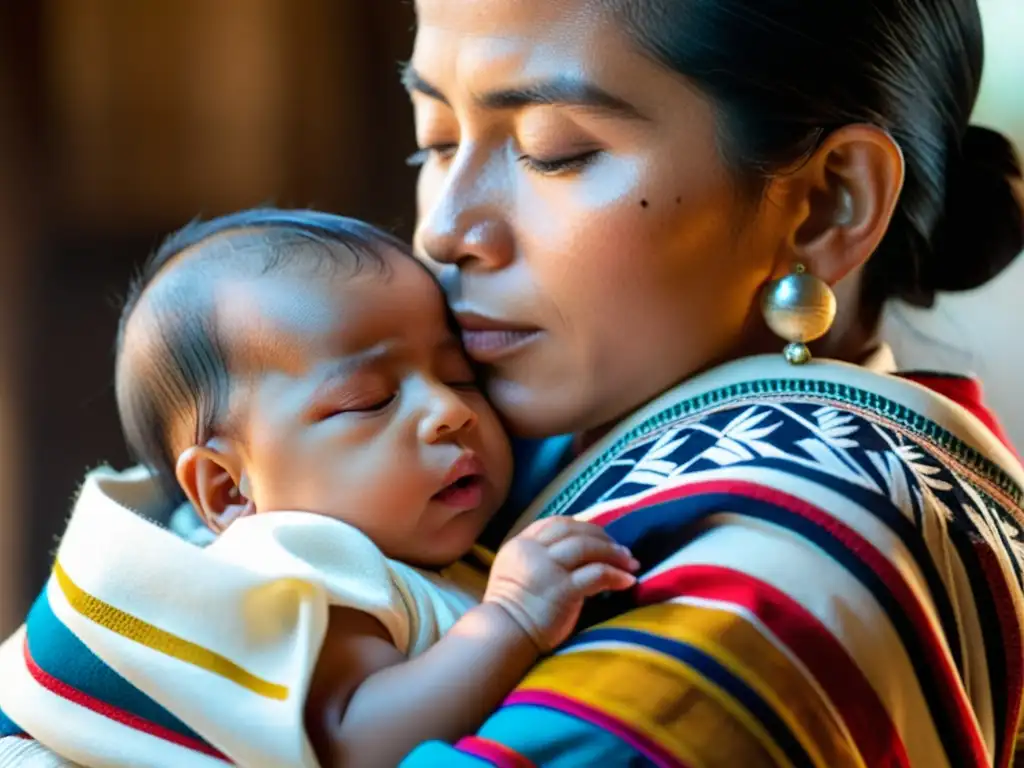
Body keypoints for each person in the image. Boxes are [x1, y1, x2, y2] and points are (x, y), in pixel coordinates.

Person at [2, 0, 1024, 765]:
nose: (444, 228)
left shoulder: (781, 583)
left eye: (552, 151)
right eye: (433, 141)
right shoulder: (515, 451)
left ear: (821, 205)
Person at [2, 209, 639, 768]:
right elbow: (353, 745)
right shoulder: (297, 558)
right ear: (227, 489)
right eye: (370, 400)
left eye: (461, 376)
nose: (450, 410)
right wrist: (512, 619)